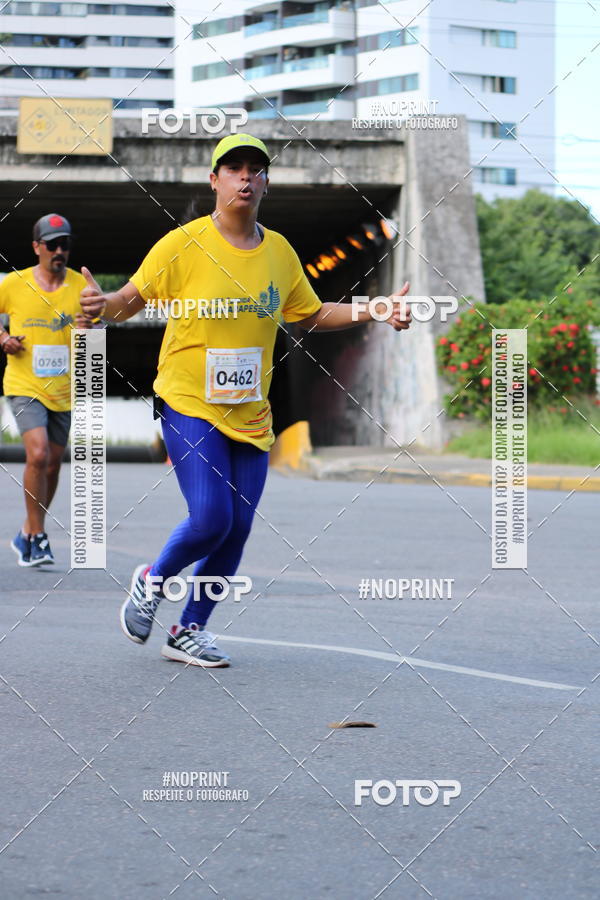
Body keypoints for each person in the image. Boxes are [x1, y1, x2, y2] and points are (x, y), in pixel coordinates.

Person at [80, 133, 412, 668]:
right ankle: (153, 579)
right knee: (210, 519)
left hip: (251, 409)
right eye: (233, 169)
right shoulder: (182, 244)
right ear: (215, 180)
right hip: (188, 399)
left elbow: (308, 314)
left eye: (255, 170)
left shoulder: (278, 251)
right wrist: (101, 306)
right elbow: (128, 300)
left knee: (237, 527)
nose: (245, 178)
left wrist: (374, 310)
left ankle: (188, 630)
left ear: (266, 183)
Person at [0, 214, 90, 567]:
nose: (59, 251)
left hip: (65, 390)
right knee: (37, 455)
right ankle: (38, 538)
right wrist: (4, 338)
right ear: (36, 247)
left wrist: (90, 327)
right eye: (51, 244)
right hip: (24, 385)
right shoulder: (15, 284)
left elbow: (96, 338)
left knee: (52, 466)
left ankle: (26, 532)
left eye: (64, 244)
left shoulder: (82, 287)